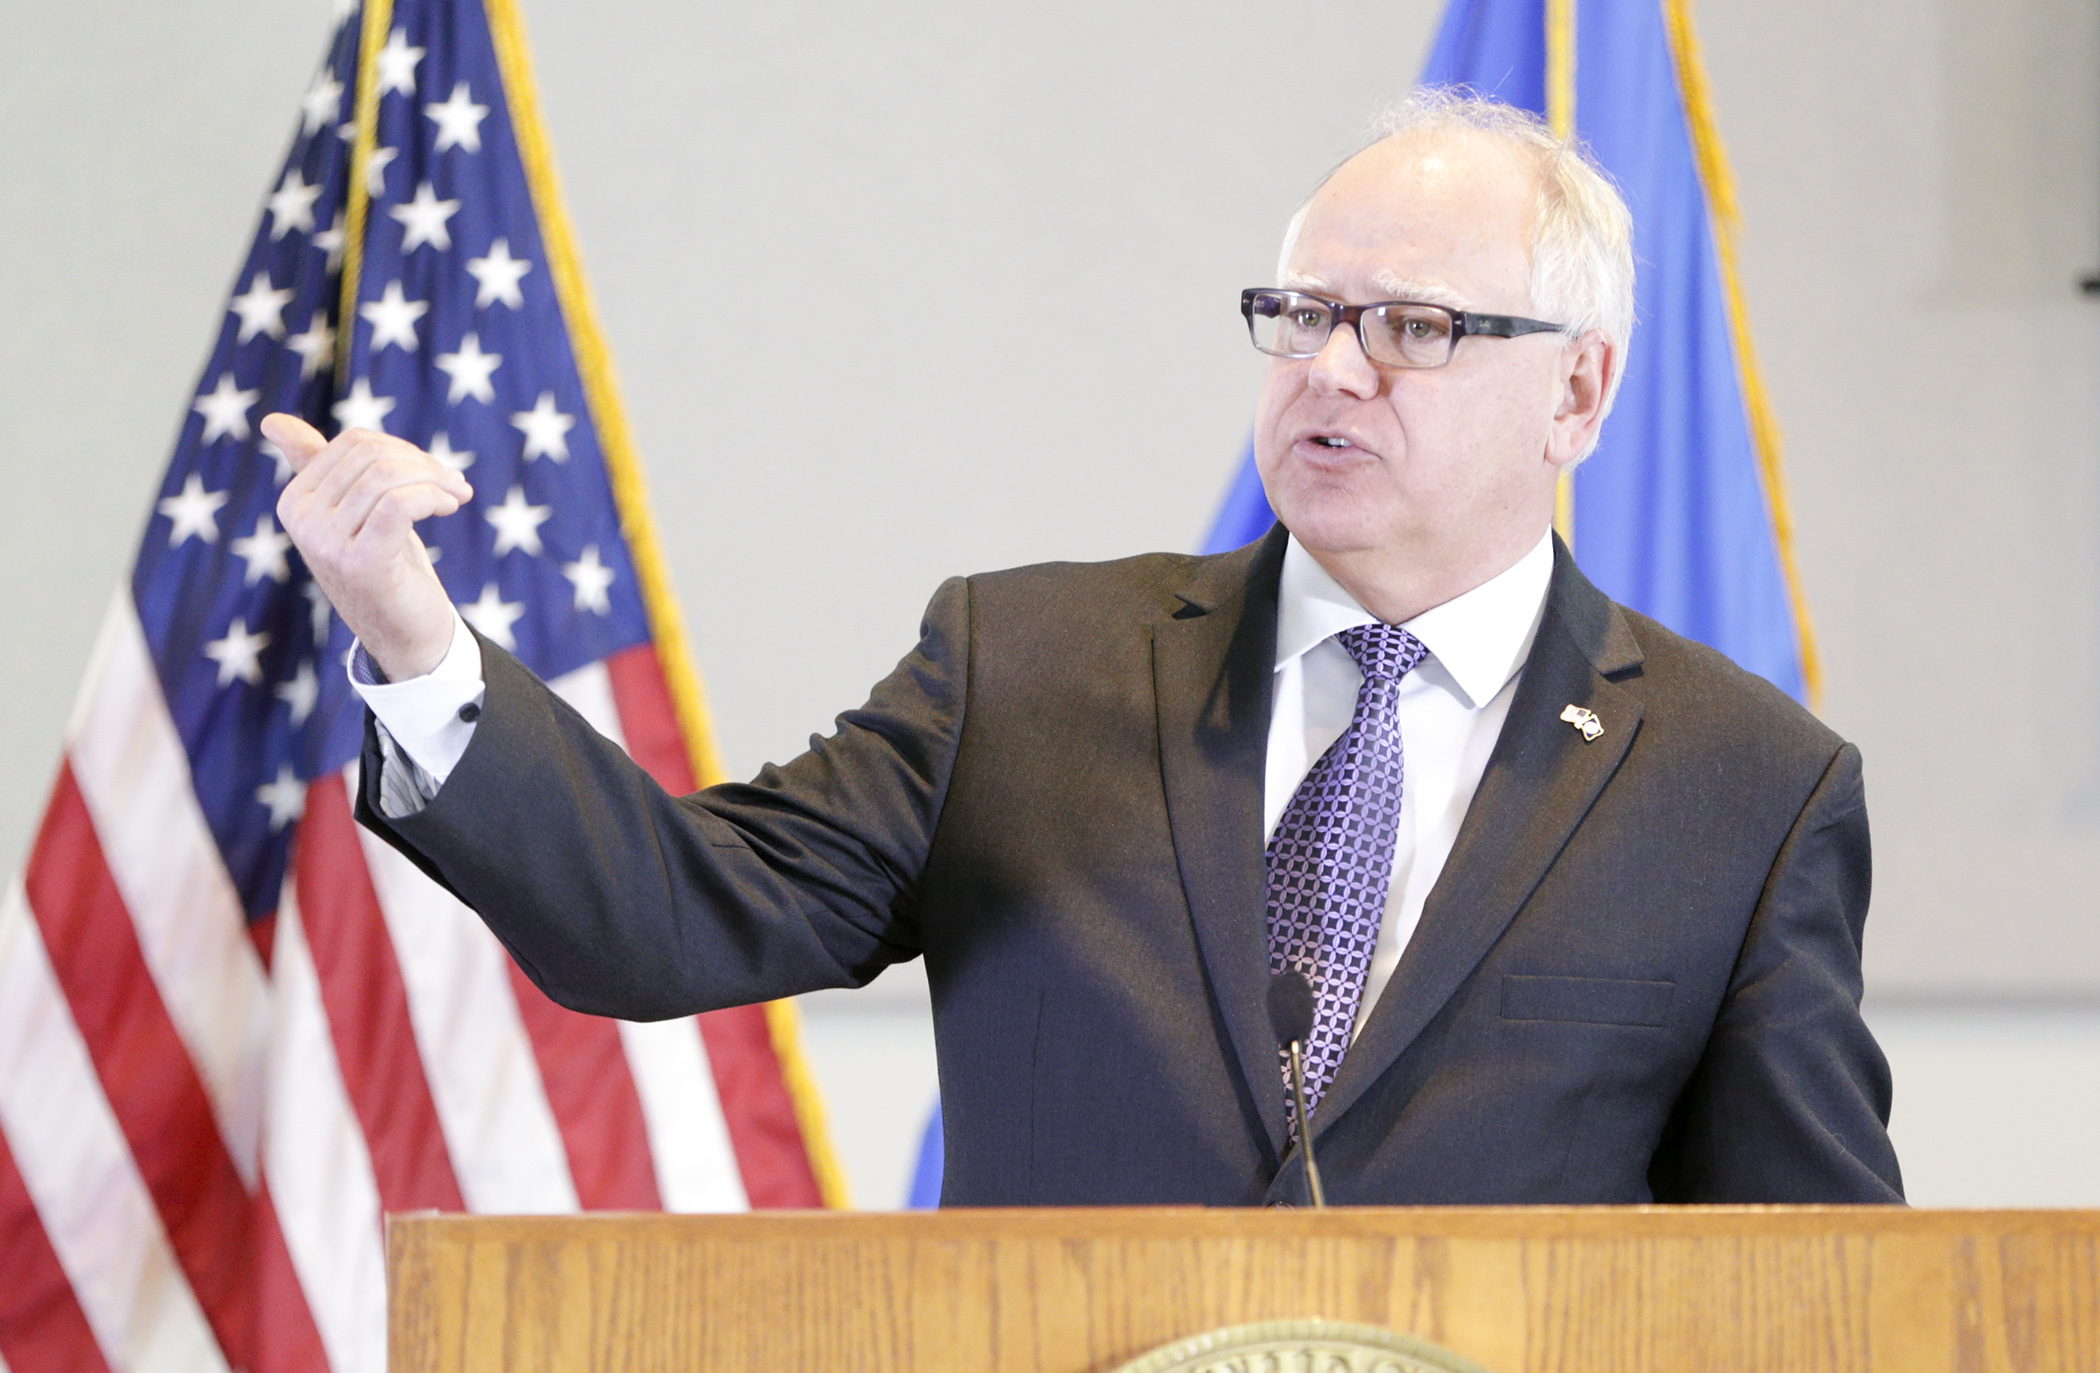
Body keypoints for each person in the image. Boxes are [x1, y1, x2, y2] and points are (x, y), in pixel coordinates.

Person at [267, 90, 1902, 1206]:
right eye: (1303, 313)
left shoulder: (1742, 789)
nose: (1333, 371)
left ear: (1579, 392)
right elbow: (668, 916)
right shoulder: (1026, 667)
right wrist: (417, 639)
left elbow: (1807, 1285)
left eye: (1413, 327)